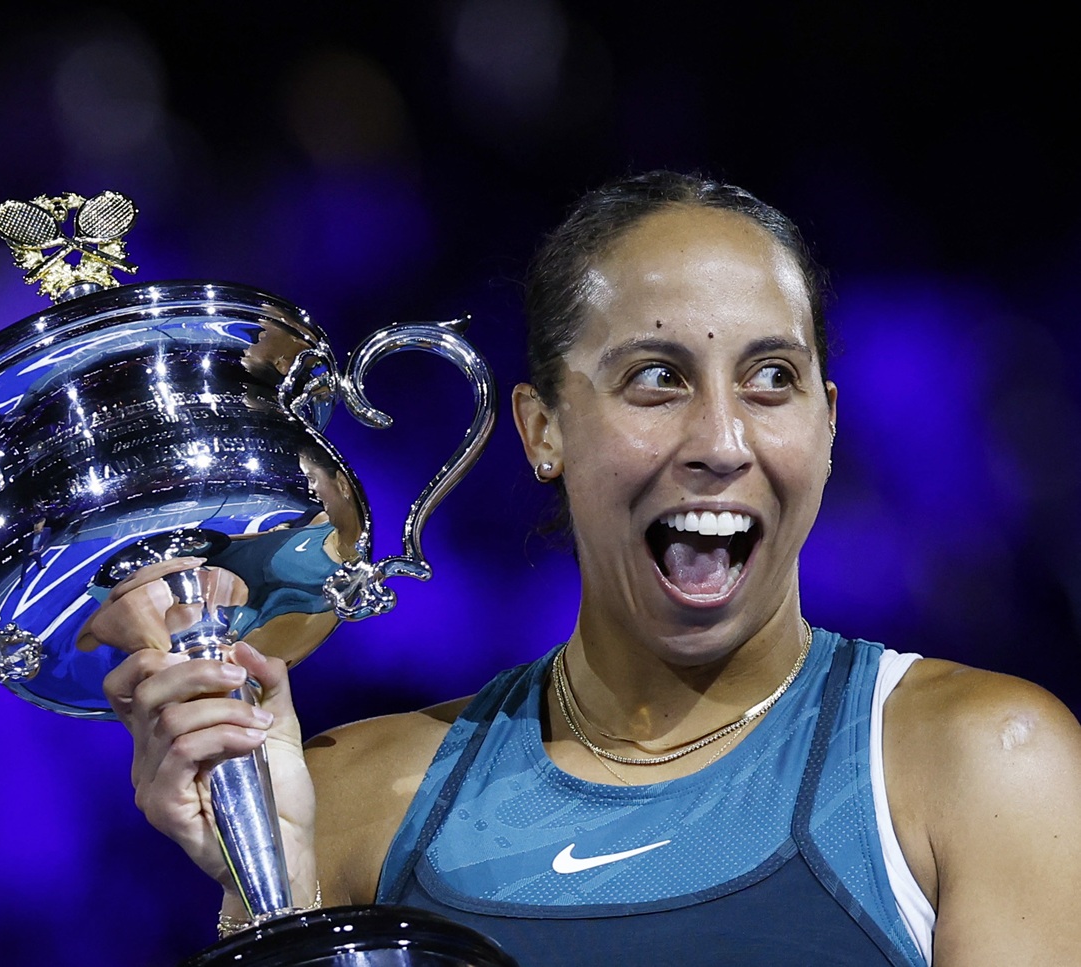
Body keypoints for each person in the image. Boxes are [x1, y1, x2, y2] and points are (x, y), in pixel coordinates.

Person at [93, 172, 1081, 965]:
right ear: (544, 430)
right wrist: (264, 890)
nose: (722, 440)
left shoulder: (987, 765)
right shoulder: (357, 803)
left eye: (771, 379)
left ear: (827, 424)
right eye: (657, 378)